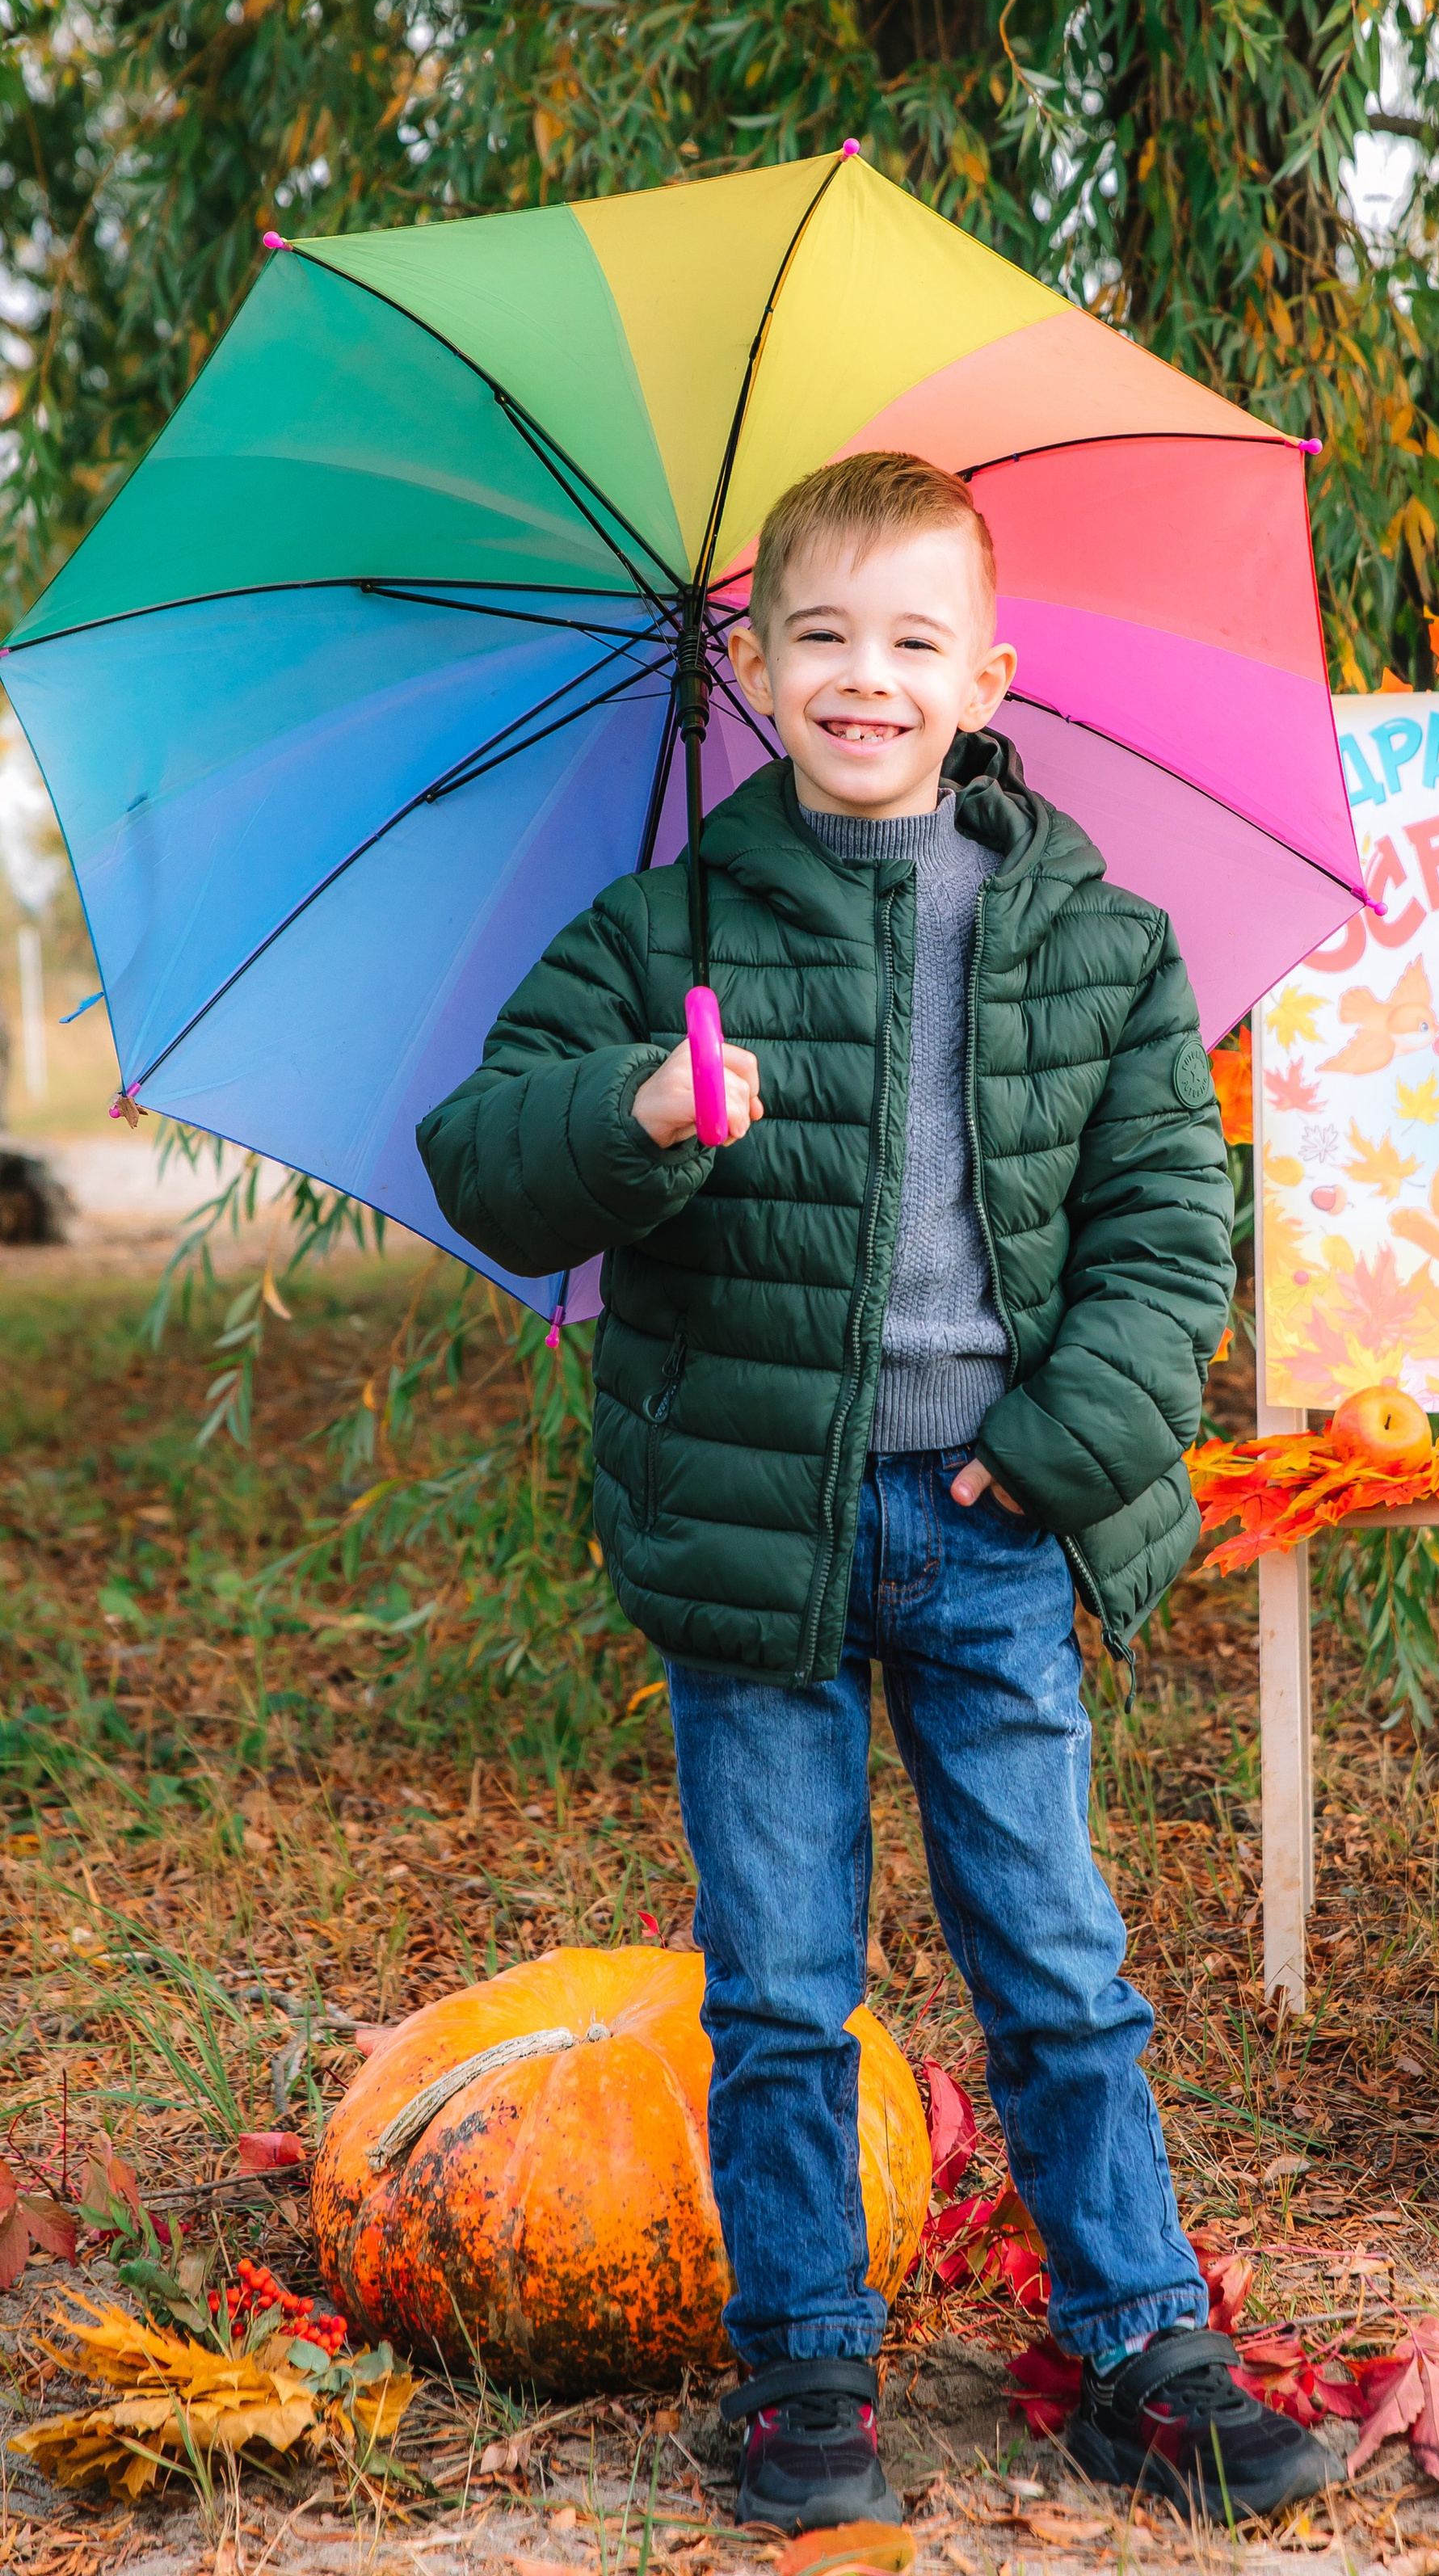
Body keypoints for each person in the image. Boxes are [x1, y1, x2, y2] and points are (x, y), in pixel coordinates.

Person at [418, 451, 1339, 2532]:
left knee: (1056, 1958)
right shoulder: (665, 934)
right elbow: (482, 1151)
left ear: (981, 672)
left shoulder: (1096, 943)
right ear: (749, 664)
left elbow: (1167, 1239)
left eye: (911, 642)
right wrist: (640, 1110)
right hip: (763, 1536)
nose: (863, 677)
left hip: (990, 1525)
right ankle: (802, 2373)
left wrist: (1051, 1451)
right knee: (777, 1984)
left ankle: (1134, 2342)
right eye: (820, 636)